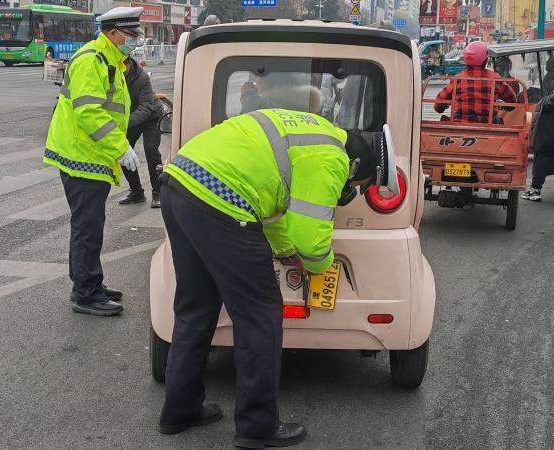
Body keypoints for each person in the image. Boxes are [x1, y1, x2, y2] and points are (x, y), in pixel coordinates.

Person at [156, 107, 398, 447]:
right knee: (259, 317)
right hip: (222, 199)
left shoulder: (316, 132)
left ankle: (180, 411)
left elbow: (272, 205)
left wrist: (284, 250)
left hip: (180, 182)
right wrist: (321, 265)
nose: (353, 190)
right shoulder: (331, 158)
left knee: (196, 306)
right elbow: (311, 242)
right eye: (361, 184)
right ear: (358, 166)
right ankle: (257, 427)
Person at [43, 7, 144, 316]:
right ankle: (86, 294)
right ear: (113, 33)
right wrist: (121, 148)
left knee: (90, 224)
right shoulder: (92, 60)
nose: (135, 40)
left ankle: (89, 283)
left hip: (91, 154)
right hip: (82, 155)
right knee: (87, 227)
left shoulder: (111, 59)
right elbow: (89, 113)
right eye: (131, 35)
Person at [118, 56, 165, 208]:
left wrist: (124, 124)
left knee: (151, 150)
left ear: (128, 64)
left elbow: (146, 107)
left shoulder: (142, 77)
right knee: (122, 149)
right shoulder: (113, 73)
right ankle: (136, 192)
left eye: (122, 66)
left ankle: (158, 192)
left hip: (151, 115)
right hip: (131, 117)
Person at [434, 41, 517, 123]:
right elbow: (512, 100)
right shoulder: (495, 78)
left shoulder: (457, 79)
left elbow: (440, 100)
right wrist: (508, 106)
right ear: (485, 60)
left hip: (460, 124)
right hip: (489, 123)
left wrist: (440, 108)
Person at [523, 93, 554, 202]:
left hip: (546, 138)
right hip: (546, 137)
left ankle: (535, 190)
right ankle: (534, 189)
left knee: (541, 162)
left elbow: (536, 119)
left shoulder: (547, 101)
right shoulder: (547, 100)